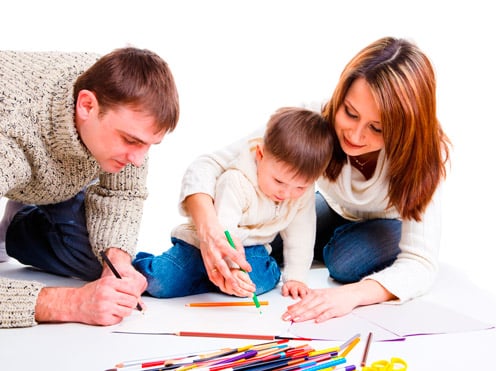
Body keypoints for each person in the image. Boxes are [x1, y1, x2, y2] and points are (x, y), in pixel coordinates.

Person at [177, 36, 451, 322]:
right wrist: (210, 230)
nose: (355, 136)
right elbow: (209, 164)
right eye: (350, 113)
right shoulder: (313, 121)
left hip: (383, 229)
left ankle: (333, 248)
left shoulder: (423, 154)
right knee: (260, 231)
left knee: (346, 261)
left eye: (377, 128)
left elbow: (420, 263)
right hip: (331, 212)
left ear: (405, 128)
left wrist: (353, 295)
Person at [0, 47, 180, 328]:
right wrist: (71, 303)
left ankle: (16, 225)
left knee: (98, 268)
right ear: (86, 106)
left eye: (148, 146)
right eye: (131, 141)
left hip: (55, 170)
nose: (138, 160)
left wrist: (117, 263)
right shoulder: (8, 138)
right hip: (19, 154)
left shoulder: (117, 94)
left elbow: (122, 192)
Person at [133, 107, 333, 299]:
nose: (287, 193)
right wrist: (231, 267)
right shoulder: (236, 181)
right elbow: (224, 229)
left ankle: (209, 282)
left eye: (300, 187)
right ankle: (138, 270)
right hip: (202, 247)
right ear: (260, 155)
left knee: (259, 282)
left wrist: (296, 278)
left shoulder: (301, 194)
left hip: (251, 250)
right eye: (279, 181)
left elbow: (302, 234)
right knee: (159, 282)